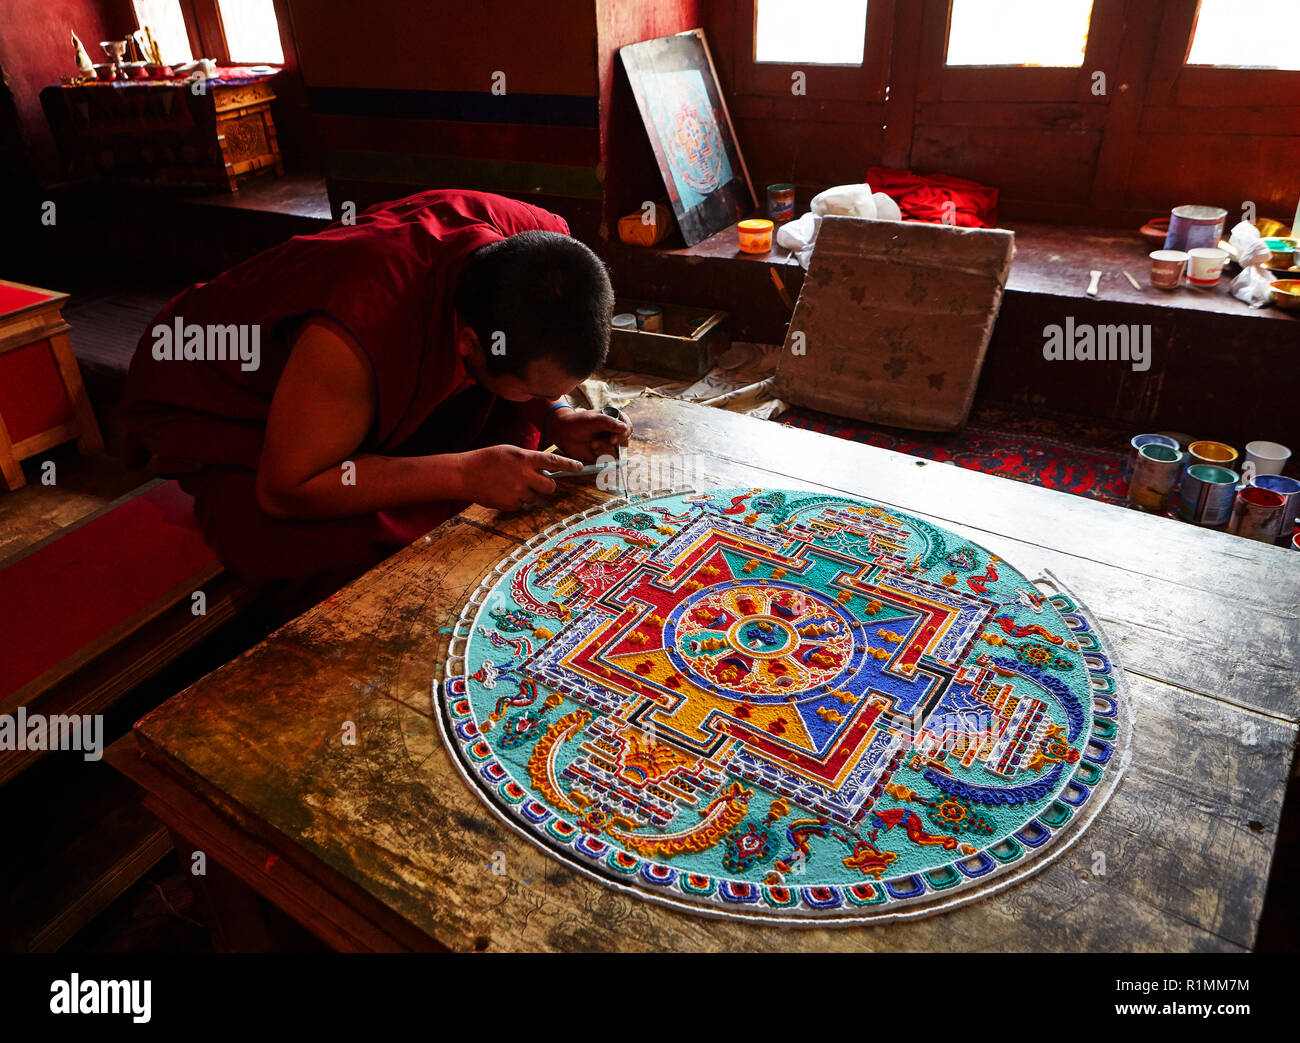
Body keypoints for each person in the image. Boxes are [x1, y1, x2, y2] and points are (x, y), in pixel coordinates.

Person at [121, 189, 628, 594]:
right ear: (470, 343)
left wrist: (558, 414)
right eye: (541, 388)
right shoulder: (361, 326)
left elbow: (531, 359)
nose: (561, 395)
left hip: (372, 372)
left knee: (511, 428)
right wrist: (462, 472)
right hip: (218, 386)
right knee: (333, 548)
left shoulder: (541, 247)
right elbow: (287, 487)